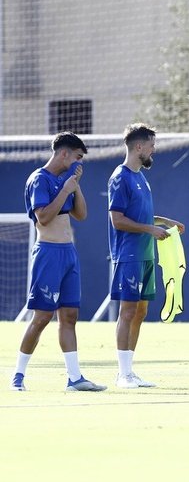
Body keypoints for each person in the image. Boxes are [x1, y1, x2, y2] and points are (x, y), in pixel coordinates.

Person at [11, 132, 105, 392]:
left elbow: (82, 214)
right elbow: (43, 217)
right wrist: (65, 188)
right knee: (42, 317)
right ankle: (18, 375)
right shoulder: (39, 179)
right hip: (48, 253)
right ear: (64, 154)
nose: (79, 163)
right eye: (77, 157)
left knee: (70, 316)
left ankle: (74, 378)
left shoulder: (68, 180)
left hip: (68, 254)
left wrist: (75, 184)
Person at [108, 124, 184, 388]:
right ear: (138, 147)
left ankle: (130, 371)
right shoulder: (121, 176)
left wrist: (164, 222)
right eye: (152, 145)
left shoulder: (141, 177)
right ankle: (122, 374)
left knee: (140, 311)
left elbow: (140, 216)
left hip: (146, 255)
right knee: (127, 311)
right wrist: (150, 229)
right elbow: (117, 220)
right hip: (128, 256)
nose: (154, 149)